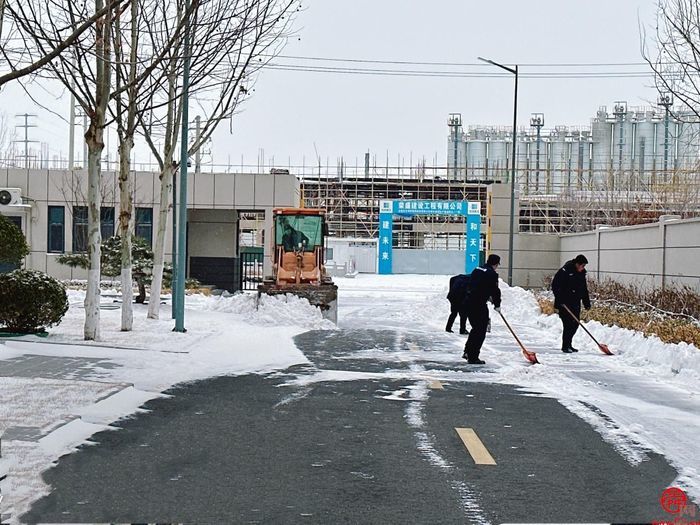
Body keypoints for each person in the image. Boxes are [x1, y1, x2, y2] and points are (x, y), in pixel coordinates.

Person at [463, 254, 502, 365]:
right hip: (478, 304)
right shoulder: (492, 274)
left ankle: (467, 351)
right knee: (480, 331)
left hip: (468, 301)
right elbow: (495, 291)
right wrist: (497, 304)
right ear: (495, 264)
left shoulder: (477, 269)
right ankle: (473, 356)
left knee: (475, 329)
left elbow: (476, 285)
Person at [551, 254, 591, 353]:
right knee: (568, 324)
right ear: (577, 264)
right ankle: (565, 346)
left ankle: (569, 344)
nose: (583, 268)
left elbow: (584, 289)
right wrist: (560, 300)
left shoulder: (581, 274)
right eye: (582, 266)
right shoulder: (565, 271)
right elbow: (555, 286)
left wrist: (586, 303)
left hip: (576, 303)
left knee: (575, 324)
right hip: (564, 303)